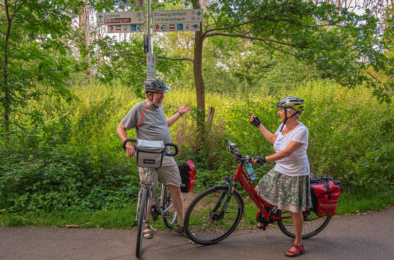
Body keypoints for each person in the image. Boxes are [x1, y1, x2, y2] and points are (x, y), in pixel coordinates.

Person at [117, 79, 190, 239]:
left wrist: (180, 113)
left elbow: (165, 124)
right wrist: (127, 142)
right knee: (147, 189)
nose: (163, 96)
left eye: (163, 93)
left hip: (166, 154)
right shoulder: (138, 109)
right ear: (149, 94)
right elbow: (121, 127)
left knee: (176, 187)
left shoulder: (160, 108)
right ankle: (145, 224)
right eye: (160, 93)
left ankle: (182, 225)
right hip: (147, 156)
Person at [250, 96, 311, 257]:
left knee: (293, 209)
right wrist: (259, 124)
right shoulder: (283, 126)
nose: (278, 112)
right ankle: (273, 212)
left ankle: (298, 243)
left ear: (290, 112)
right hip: (280, 169)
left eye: (281, 110)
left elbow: (287, 152)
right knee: (258, 190)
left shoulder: (301, 131)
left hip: (295, 174)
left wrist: (265, 159)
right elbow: (272, 139)